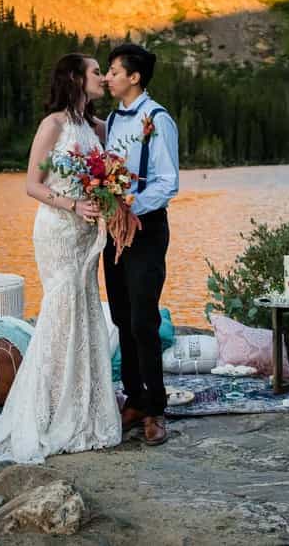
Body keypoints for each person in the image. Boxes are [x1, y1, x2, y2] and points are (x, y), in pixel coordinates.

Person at [0, 54, 122, 463]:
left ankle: (87, 408)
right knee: (60, 308)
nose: (102, 79)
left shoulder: (99, 128)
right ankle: (47, 409)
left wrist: (107, 200)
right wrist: (73, 205)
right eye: (94, 72)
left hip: (89, 234)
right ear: (75, 78)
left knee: (86, 310)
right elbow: (32, 185)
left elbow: (111, 172)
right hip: (58, 230)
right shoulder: (52, 125)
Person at [102, 43, 179, 446]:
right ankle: (133, 398)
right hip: (115, 230)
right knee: (120, 314)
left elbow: (169, 182)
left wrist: (134, 209)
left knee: (143, 320)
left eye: (114, 70)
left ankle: (156, 409)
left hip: (146, 229)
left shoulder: (158, 118)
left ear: (135, 77)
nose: (107, 76)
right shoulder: (114, 118)